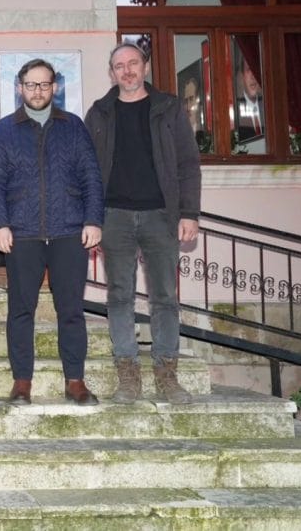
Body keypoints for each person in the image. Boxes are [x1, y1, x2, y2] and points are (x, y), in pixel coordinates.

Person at [85, 43, 201, 404]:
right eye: (119, 66)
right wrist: (91, 218)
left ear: (145, 67)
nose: (127, 71)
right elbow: (87, 170)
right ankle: (128, 378)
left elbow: (187, 164)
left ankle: (167, 376)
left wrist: (189, 214)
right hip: (114, 217)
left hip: (160, 216)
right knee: (119, 296)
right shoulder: (100, 113)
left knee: (164, 298)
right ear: (112, 72)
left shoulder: (168, 108)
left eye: (133, 63)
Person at [0, 58, 104, 406]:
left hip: (69, 231)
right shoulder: (4, 130)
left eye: (44, 84)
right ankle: (22, 381)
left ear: (55, 87)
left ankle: (75, 381)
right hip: (21, 233)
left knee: (71, 310)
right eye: (31, 84)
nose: (38, 91)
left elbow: (91, 177)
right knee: (21, 310)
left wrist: (93, 220)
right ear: (19, 88)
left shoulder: (74, 127)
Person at [234, 56, 265, 144]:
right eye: (249, 70)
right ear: (242, 76)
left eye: (255, 70)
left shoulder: (267, 106)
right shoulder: (236, 111)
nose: (253, 76)